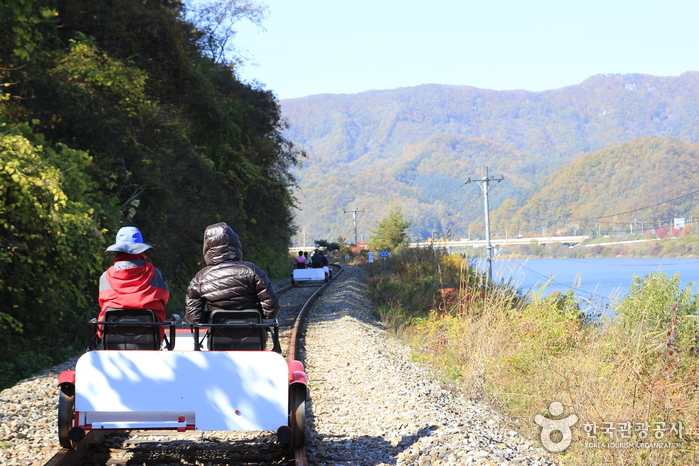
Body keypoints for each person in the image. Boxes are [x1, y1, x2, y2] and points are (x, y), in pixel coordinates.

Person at [185, 222, 280, 324]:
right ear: (235, 243)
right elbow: (271, 309)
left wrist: (213, 318)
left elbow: (193, 318)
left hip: (218, 336)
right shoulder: (251, 270)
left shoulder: (200, 278)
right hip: (253, 334)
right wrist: (256, 314)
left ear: (208, 246)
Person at [98, 226, 169, 337]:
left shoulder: (105, 276)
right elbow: (164, 301)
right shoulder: (155, 273)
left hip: (111, 337)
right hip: (151, 336)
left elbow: (102, 304)